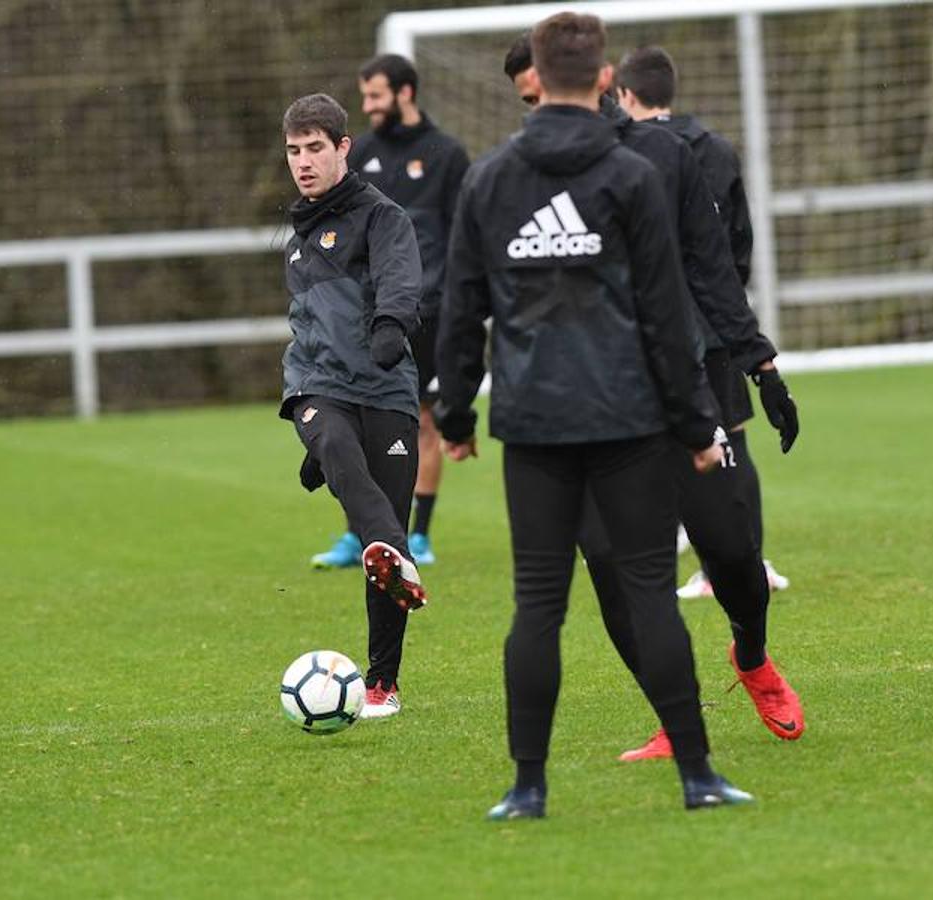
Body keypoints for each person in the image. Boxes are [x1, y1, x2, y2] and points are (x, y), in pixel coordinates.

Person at [439, 13, 753, 819]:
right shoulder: (633, 175)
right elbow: (662, 315)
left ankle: (527, 788)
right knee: (649, 591)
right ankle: (697, 777)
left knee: (537, 603)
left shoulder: (490, 178)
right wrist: (695, 427)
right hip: (628, 423)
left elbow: (461, 305)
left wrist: (455, 412)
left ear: (535, 76)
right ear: (605, 75)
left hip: (534, 423)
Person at [502, 36, 805, 762]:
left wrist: (760, 365)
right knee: (611, 567)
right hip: (590, 406)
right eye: (527, 101)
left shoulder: (666, 157)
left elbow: (712, 271)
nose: (540, 109)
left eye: (544, 91)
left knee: (731, 550)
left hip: (684, 388)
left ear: (597, 82)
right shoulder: (524, 174)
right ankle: (676, 719)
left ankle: (753, 655)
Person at [615, 46, 792, 599]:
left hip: (651, 322)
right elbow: (736, 239)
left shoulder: (623, 152)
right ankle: (748, 562)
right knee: (730, 436)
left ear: (624, 94)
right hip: (715, 320)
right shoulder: (713, 147)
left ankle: (698, 564)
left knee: (658, 442)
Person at [280, 92, 428, 719]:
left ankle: (382, 684)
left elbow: (400, 273)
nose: (304, 162)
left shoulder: (381, 216)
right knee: (335, 443)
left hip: (386, 386)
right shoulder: (295, 235)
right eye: (293, 150)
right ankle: (394, 549)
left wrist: (393, 323)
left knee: (380, 539)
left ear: (344, 148)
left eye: (316, 148)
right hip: (318, 385)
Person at [309, 55, 470, 570]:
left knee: (419, 415)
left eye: (376, 95)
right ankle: (360, 533)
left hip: (429, 306)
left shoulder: (446, 155)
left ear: (405, 93)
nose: (368, 106)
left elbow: (464, 233)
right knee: (354, 414)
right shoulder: (364, 153)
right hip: (362, 309)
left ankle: (418, 535)